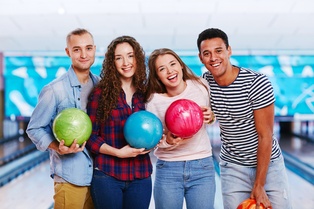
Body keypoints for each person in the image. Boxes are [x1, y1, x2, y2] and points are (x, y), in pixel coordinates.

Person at [197, 28, 292, 209]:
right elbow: (210, 116)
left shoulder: (256, 83)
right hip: (232, 167)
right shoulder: (204, 83)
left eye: (218, 51)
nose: (213, 58)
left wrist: (259, 184)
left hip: (269, 165)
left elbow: (265, 135)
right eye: (206, 53)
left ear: (229, 51)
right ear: (201, 58)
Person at [26, 28, 100, 209]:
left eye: (88, 48)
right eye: (77, 49)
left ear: (95, 50)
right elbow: (34, 128)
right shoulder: (54, 90)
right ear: (68, 52)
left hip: (100, 177)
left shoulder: (101, 86)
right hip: (70, 177)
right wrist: (57, 147)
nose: (84, 54)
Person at [86, 36, 152, 209]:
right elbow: (91, 137)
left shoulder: (146, 94)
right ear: (112, 63)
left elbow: (154, 130)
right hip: (107, 175)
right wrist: (117, 152)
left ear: (137, 58)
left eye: (130, 56)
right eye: (118, 58)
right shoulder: (101, 94)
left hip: (141, 175)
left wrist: (154, 143)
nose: (125, 62)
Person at [145, 48, 216, 209]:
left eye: (173, 64)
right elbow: (154, 141)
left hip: (202, 165)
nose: (170, 71)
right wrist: (168, 141)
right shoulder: (153, 101)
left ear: (181, 66)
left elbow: (210, 117)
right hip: (168, 168)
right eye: (162, 69)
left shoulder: (200, 86)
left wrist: (210, 117)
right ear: (157, 76)